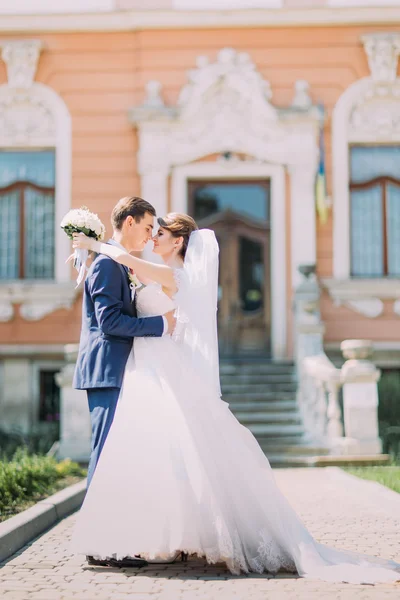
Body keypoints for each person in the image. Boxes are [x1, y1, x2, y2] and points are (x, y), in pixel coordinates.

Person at [71, 212, 400, 584]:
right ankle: (164, 536)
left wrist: (94, 245)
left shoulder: (172, 276)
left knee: (173, 450)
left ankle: (172, 536)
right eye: (150, 230)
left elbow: (126, 261)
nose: (152, 238)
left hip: (159, 366)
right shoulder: (156, 271)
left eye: (158, 233)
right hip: (148, 366)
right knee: (163, 453)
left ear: (179, 242)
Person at [73, 196, 176, 568]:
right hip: (107, 370)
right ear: (130, 222)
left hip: (119, 370)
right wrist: (161, 325)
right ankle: (103, 545)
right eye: (148, 227)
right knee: (104, 457)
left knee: (113, 456)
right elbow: (110, 322)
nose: (150, 236)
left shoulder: (118, 263)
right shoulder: (106, 264)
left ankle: (108, 541)